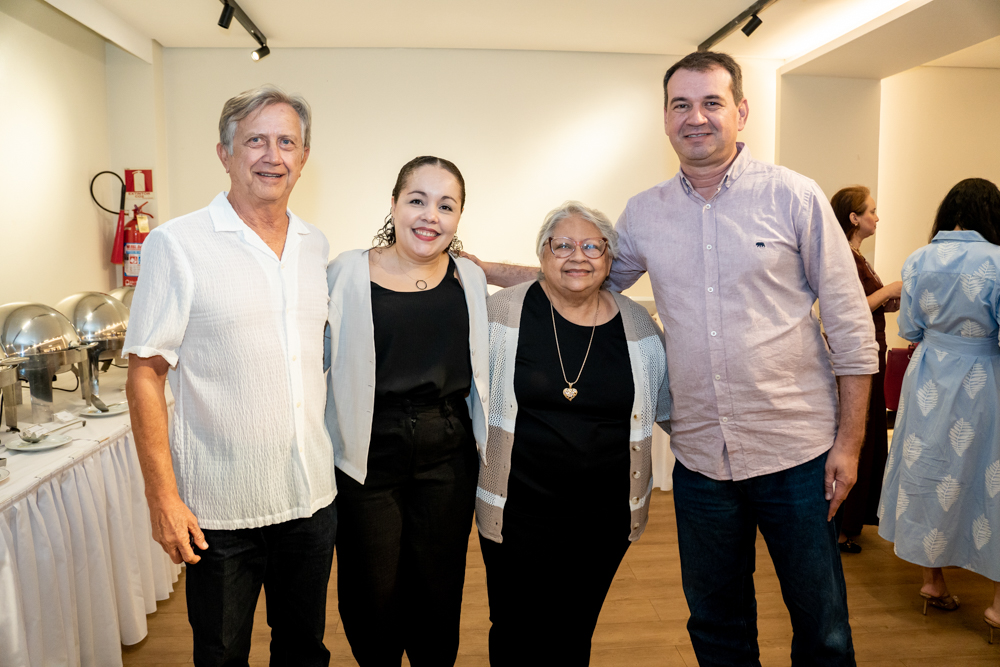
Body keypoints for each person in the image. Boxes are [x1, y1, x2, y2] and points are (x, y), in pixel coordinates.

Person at [469, 51, 877, 666]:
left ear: (741, 111)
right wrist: (483, 271)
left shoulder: (794, 196)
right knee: (716, 624)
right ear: (665, 119)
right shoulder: (645, 213)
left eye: (712, 102)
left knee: (822, 627)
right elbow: (586, 277)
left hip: (796, 452)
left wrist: (849, 443)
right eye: (681, 105)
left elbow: (850, 327)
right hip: (702, 459)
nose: (696, 117)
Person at [123, 85, 337, 666]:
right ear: (225, 153)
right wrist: (162, 497)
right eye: (255, 141)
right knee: (221, 656)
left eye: (287, 142)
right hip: (220, 513)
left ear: (304, 157)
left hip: (311, 500)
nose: (273, 155)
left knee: (303, 652)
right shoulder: (177, 244)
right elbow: (145, 373)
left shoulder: (314, 245)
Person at [476, 201, 669, 665]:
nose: (577, 256)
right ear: (542, 253)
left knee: (574, 630)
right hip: (518, 511)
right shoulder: (500, 313)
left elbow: (671, 409)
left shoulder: (638, 327)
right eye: (562, 245)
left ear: (609, 258)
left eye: (591, 246)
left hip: (602, 518)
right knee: (515, 628)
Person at [324, 156, 488, 666]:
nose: (430, 216)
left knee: (438, 586)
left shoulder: (469, 278)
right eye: (417, 200)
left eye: (446, 205)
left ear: (458, 217)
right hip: (368, 450)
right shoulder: (346, 273)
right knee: (371, 589)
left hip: (448, 452)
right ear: (394, 204)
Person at [877, 178, 1000, 643]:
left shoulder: (919, 259)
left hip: (929, 372)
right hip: (984, 377)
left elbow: (909, 326)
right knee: (990, 474)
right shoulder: (998, 261)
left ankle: (932, 581)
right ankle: (998, 605)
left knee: (928, 466)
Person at [830, 186, 902, 553]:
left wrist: (887, 301)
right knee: (859, 436)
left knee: (870, 436)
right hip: (859, 355)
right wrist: (891, 289)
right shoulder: (845, 256)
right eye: (871, 211)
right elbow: (855, 306)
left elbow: (868, 303)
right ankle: (842, 527)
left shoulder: (858, 257)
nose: (877, 217)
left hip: (872, 351)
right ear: (854, 218)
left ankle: (852, 522)